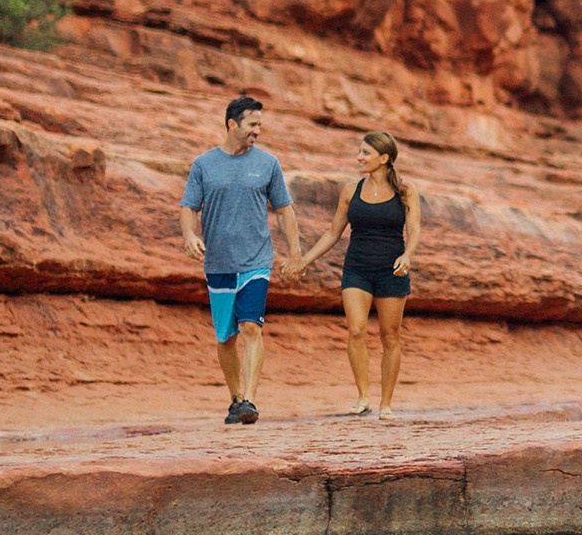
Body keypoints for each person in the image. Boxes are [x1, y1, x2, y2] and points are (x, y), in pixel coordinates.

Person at [180, 95, 302, 425]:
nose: (258, 131)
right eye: (252, 124)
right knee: (225, 337)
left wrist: (295, 252)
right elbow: (189, 207)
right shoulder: (204, 164)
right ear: (232, 124)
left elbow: (284, 210)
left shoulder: (268, 163)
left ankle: (249, 399)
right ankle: (235, 398)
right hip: (219, 263)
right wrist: (190, 236)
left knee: (251, 327)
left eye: (260, 125)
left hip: (256, 260)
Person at [297, 130, 421, 418]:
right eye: (360, 152)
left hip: (392, 270)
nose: (359, 158)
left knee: (390, 336)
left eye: (365, 153)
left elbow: (414, 230)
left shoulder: (405, 191)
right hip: (357, 269)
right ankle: (363, 396)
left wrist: (408, 255)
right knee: (356, 331)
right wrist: (305, 259)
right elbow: (333, 232)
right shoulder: (351, 190)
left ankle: (386, 403)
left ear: (384, 158)